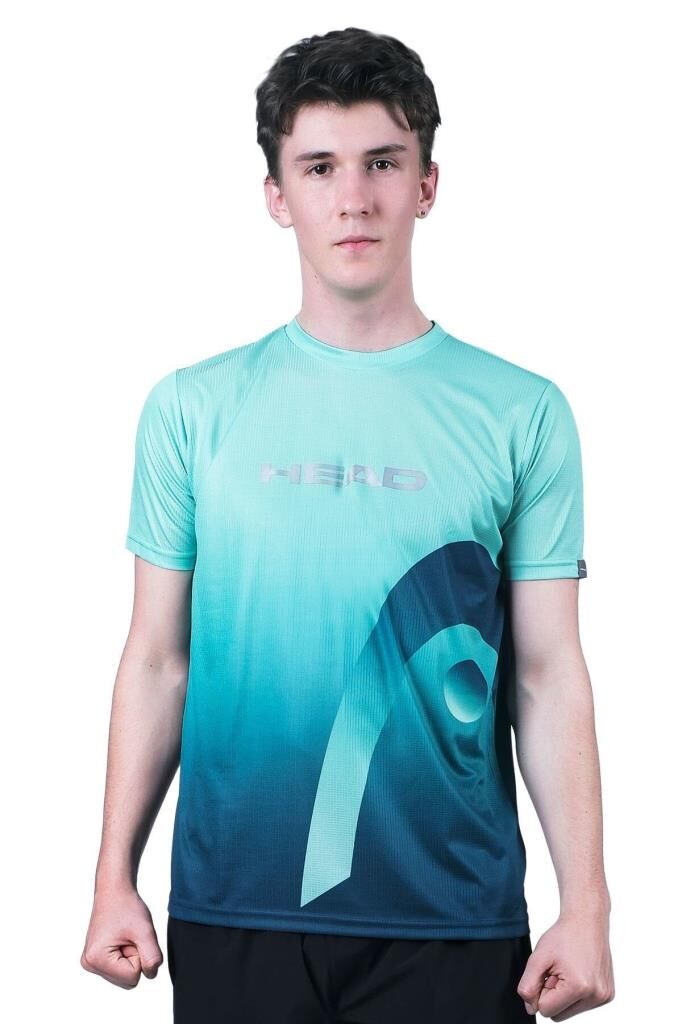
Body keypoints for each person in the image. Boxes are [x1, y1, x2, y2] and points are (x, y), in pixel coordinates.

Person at [80, 25, 615, 1023]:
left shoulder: (522, 413)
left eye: (382, 162)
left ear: (427, 184)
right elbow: (157, 659)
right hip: (236, 911)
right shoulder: (193, 409)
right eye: (319, 167)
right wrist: (114, 874)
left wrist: (587, 906)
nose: (353, 198)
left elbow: (546, 673)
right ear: (277, 195)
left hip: (452, 921)